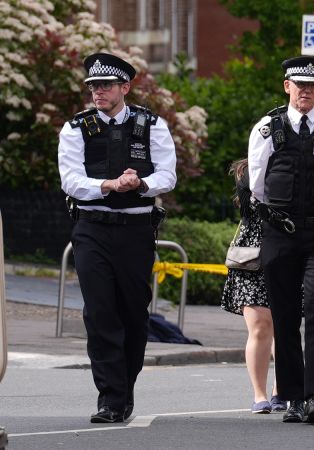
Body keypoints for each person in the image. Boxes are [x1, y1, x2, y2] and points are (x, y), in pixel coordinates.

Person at [58, 52, 177, 423]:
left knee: (133, 314)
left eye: (106, 85)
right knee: (99, 312)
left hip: (135, 230)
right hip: (91, 229)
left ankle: (125, 386)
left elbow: (167, 176)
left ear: (125, 87)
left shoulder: (151, 125)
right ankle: (110, 398)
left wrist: (140, 183)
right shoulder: (76, 128)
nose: (98, 92)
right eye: (93, 86)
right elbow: (70, 180)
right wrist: (108, 185)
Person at [248, 56, 314, 424]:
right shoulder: (267, 127)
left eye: (312, 86)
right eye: (299, 85)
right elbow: (257, 184)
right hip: (281, 233)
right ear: (287, 87)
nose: (305, 91)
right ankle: (292, 397)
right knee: (286, 316)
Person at [220, 159, 285, 414]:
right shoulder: (247, 170)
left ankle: (281, 390)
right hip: (252, 256)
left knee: (284, 328)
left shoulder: (296, 162)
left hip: (287, 248)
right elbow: (257, 190)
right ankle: (260, 395)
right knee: (260, 326)